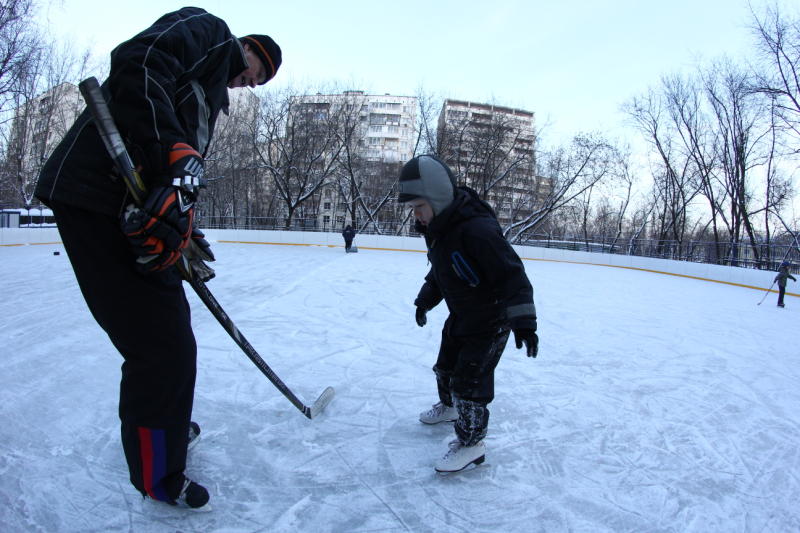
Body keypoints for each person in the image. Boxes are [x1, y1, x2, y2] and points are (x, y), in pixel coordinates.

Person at [34, 7, 281, 509]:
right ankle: (158, 472)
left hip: (121, 208)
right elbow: (139, 60)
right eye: (260, 71)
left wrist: (180, 221)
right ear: (249, 49)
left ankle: (165, 429)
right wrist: (173, 152)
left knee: (170, 336)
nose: (252, 84)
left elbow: (172, 171)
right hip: (95, 196)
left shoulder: (208, 98)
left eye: (259, 82)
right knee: (161, 346)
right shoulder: (210, 32)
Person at [397, 154, 539, 473]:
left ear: (436, 198)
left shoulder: (477, 230)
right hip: (461, 315)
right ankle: (449, 407)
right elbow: (441, 273)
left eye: (419, 206)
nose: (416, 215)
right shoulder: (440, 231)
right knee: (445, 368)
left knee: (469, 383)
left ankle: (471, 443)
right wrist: (424, 301)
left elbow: (512, 276)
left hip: (491, 321)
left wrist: (525, 323)